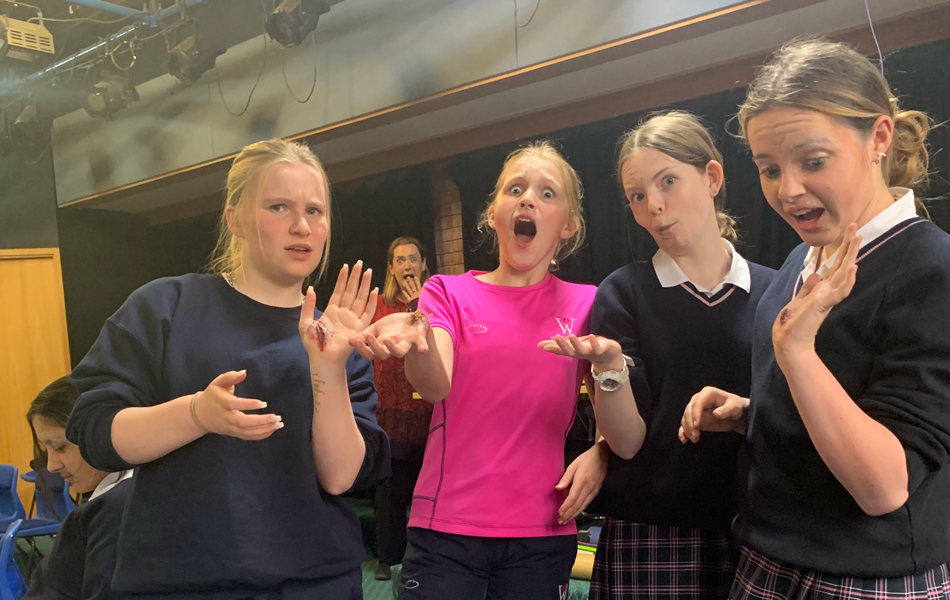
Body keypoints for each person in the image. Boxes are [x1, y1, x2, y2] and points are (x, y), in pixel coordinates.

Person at [680, 39, 950, 599]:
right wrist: (753, 413)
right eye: (769, 169)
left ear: (878, 138)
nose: (789, 190)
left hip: (862, 579)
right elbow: (837, 408)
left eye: (814, 161)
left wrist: (797, 354)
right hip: (765, 557)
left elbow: (884, 487)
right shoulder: (800, 261)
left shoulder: (932, 270)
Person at [66, 138, 390, 599]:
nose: (301, 226)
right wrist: (196, 414)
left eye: (315, 211)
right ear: (234, 219)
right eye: (278, 207)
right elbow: (96, 433)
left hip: (316, 582)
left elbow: (340, 478)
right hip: (181, 584)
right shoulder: (166, 307)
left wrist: (328, 366)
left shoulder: (339, 336)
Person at [543, 111, 775, 600]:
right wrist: (608, 368)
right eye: (637, 196)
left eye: (668, 180)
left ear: (712, 177)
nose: (655, 206)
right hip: (650, 528)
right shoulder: (624, 292)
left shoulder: (776, 290)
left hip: (758, 527)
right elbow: (627, 442)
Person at [352, 141, 598, 600]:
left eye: (547, 193)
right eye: (515, 189)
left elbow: (618, 408)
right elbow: (433, 383)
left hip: (542, 533)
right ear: (493, 213)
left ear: (569, 224)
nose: (528, 199)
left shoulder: (588, 303)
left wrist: (601, 452)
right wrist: (419, 337)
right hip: (446, 529)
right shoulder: (447, 292)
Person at [24, 375, 133, 600]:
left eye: (60, 447)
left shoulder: (118, 509)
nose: (51, 465)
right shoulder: (106, 504)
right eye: (46, 450)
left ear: (99, 433)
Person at [372, 236, 434, 580]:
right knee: (389, 493)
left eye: (412, 258)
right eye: (400, 260)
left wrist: (418, 303)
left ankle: (426, 556)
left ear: (423, 263)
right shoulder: (378, 306)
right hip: (389, 415)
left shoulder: (436, 301)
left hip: (429, 416)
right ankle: (387, 556)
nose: (407, 265)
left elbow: (439, 342)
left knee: (428, 491)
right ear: (391, 268)